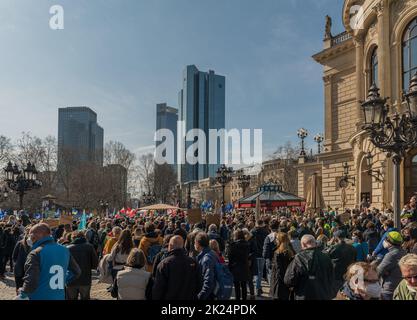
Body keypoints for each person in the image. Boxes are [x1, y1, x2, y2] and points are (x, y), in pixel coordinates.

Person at [16, 223, 81, 300]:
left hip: (38, 296)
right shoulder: (64, 249)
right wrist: (61, 280)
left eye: (30, 235)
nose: (29, 238)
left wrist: (23, 292)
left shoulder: (35, 253)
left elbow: (31, 281)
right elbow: (77, 271)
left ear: (36, 236)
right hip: (59, 296)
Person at [284, 234, 334, 300]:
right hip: (322, 295)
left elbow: (288, 280)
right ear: (315, 243)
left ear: (303, 244)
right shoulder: (326, 257)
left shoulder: (298, 258)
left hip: (303, 295)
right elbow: (331, 277)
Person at [152, 235, 202, 300]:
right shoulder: (193, 262)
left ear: (170, 246)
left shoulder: (164, 264)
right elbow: (199, 285)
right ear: (182, 246)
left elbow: (158, 289)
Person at [66, 231, 99, 300]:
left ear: (72, 238)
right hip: (85, 278)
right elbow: (95, 263)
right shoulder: (89, 247)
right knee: (85, 298)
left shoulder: (68, 248)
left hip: (71, 279)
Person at [376, 231, 406, 300]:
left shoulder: (391, 255)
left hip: (389, 289)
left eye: (385, 239)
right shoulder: (403, 252)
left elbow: (379, 271)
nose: (384, 241)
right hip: (399, 286)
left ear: (390, 242)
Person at [326, 230, 357, 296]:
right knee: (347, 293)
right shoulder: (352, 248)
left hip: (337, 275)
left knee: (336, 294)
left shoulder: (333, 248)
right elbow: (354, 260)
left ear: (336, 237)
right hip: (348, 273)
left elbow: (325, 257)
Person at [270, 232, 295, 300]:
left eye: (277, 239)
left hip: (279, 283)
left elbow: (279, 270)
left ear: (280, 241)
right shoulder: (291, 252)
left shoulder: (277, 253)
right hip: (288, 281)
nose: (275, 240)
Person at [228, 229, 251, 300]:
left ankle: (237, 298)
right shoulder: (247, 244)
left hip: (235, 267)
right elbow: (249, 255)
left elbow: (230, 257)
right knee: (244, 285)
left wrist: (230, 267)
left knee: (237, 285)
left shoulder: (233, 245)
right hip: (244, 266)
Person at [195, 232, 217, 300]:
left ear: (198, 243)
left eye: (194, 242)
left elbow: (208, 281)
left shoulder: (206, 259)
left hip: (207, 296)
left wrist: (200, 297)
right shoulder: (211, 253)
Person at [251, 219, 269, 296]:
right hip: (262, 253)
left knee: (254, 271)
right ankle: (258, 288)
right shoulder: (266, 232)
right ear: (262, 224)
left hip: (254, 254)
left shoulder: (252, 231)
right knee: (260, 271)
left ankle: (255, 287)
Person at [263, 219, 279, 285]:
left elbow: (265, 252)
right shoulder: (282, 236)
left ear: (270, 227)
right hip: (281, 261)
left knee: (272, 281)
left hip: (271, 261)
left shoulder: (268, 237)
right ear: (278, 227)